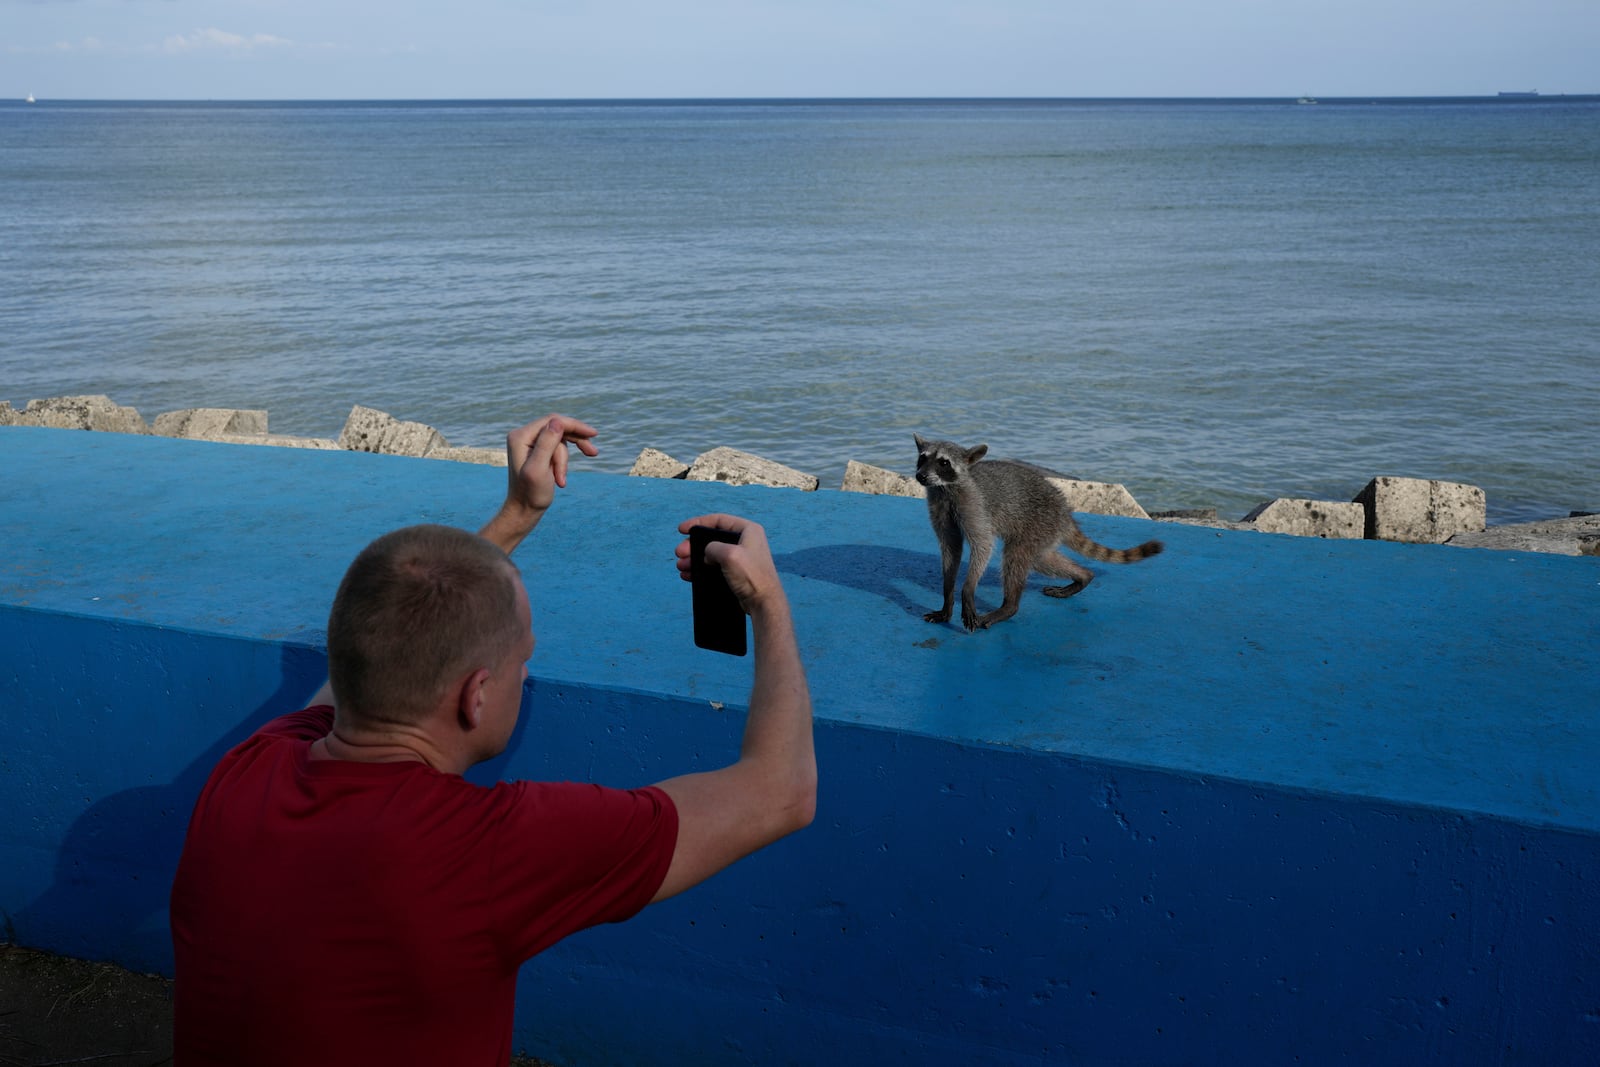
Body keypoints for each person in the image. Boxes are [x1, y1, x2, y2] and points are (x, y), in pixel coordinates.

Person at [170, 414, 816, 1066]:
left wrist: (515, 514)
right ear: (475, 697)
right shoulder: (487, 849)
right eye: (522, 660)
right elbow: (783, 790)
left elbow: (369, 659)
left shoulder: (244, 774)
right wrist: (767, 599)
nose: (526, 672)